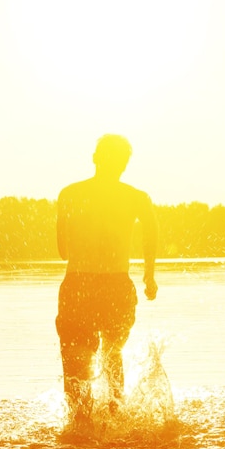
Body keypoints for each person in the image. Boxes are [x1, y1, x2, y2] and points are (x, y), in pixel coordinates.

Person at [56, 134, 158, 422]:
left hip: (79, 284)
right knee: (113, 353)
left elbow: (63, 251)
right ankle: (116, 417)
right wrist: (149, 273)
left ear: (95, 158)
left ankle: (80, 424)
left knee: (76, 360)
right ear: (124, 165)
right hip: (116, 284)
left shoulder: (70, 194)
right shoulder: (136, 197)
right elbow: (152, 230)